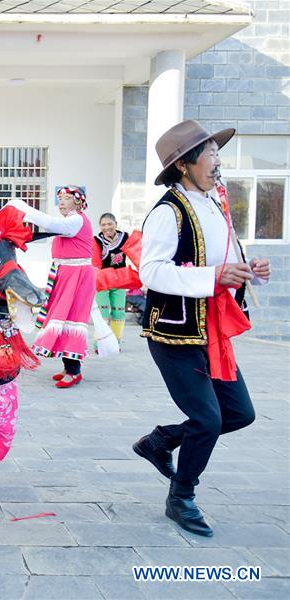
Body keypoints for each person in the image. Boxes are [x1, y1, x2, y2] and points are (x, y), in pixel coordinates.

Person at [133, 119, 269, 537]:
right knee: (208, 419)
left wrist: (250, 272)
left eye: (216, 152)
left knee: (240, 413)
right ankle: (181, 496)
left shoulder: (214, 204)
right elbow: (151, 272)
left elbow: (223, 262)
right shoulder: (168, 212)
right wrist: (213, 276)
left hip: (212, 330)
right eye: (209, 153)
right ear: (184, 164)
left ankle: (161, 440)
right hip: (175, 334)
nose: (217, 161)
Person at [6, 187, 96, 388]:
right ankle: (68, 367)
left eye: (67, 198)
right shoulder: (70, 221)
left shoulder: (77, 220)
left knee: (71, 319)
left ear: (78, 202)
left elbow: (49, 223)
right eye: (60, 198)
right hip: (66, 273)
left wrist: (23, 208)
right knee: (61, 318)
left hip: (77, 275)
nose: (61, 202)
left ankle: (74, 371)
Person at [93, 213, 129, 345]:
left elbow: (136, 252)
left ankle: (115, 342)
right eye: (103, 225)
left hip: (120, 280)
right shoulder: (96, 240)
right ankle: (100, 343)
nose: (107, 227)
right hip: (103, 281)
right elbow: (95, 263)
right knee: (102, 313)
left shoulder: (125, 237)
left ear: (116, 224)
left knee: (119, 312)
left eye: (110, 224)